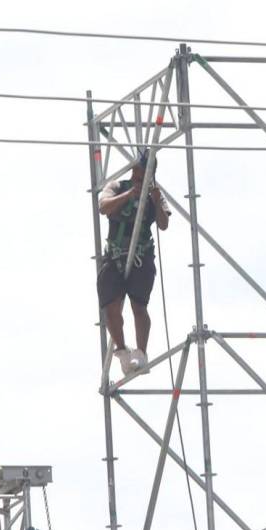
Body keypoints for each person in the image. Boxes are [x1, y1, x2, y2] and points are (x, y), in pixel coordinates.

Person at [96, 151, 170, 375]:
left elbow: (163, 224)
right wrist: (128, 195)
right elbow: (103, 206)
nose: (139, 178)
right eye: (137, 173)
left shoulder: (154, 194)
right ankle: (122, 351)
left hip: (141, 255)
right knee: (110, 307)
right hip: (116, 255)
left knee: (139, 306)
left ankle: (141, 353)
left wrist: (156, 202)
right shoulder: (118, 186)